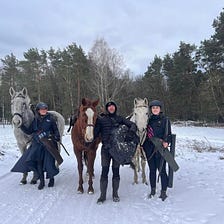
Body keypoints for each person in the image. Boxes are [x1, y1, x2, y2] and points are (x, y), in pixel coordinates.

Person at [94, 101, 137, 204]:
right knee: (104, 172)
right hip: (105, 149)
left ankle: (115, 194)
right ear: (107, 108)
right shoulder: (101, 119)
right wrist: (94, 125)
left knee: (116, 172)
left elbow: (133, 125)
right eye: (109, 106)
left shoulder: (120, 119)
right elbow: (95, 133)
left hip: (117, 150)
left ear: (115, 108)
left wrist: (130, 133)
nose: (111, 108)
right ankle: (102, 196)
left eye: (113, 106)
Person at [13, 102, 61, 190]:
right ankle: (42, 181)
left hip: (48, 143)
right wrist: (21, 126)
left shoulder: (51, 119)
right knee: (38, 162)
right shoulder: (35, 120)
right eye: (42, 109)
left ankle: (51, 179)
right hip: (37, 144)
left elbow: (56, 130)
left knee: (49, 162)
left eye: (45, 109)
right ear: (38, 110)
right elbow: (29, 131)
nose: (44, 111)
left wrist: (56, 137)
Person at [143, 100, 172, 201]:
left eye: (157, 108)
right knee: (152, 170)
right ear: (151, 109)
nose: (155, 109)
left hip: (160, 148)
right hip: (149, 149)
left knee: (162, 170)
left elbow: (169, 134)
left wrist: (167, 142)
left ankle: (163, 191)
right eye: (153, 108)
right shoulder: (148, 120)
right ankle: (153, 189)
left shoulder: (165, 120)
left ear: (160, 109)